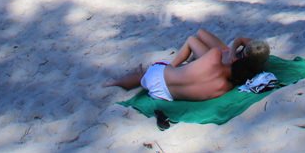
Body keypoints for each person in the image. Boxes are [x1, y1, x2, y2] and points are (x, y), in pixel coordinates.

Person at [107, 30, 270, 102]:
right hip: (163, 95)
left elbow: (199, 46)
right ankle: (135, 79)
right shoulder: (223, 89)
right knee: (148, 77)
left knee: (143, 74)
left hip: (159, 75)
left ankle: (113, 84)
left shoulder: (214, 56)